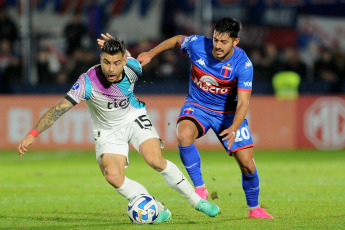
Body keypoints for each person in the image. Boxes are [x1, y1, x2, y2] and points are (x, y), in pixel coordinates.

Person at [17, 38, 220, 223]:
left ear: (124, 61)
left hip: (135, 118)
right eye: (106, 62)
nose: (111, 69)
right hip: (107, 131)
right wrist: (32, 134)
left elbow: (134, 59)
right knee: (112, 176)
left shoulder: (133, 68)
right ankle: (156, 208)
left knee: (155, 160)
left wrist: (122, 47)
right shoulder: (87, 82)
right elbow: (58, 109)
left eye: (116, 62)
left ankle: (197, 202)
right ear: (100, 59)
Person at [137, 17, 274, 219]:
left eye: (223, 42)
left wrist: (234, 127)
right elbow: (177, 40)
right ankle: (200, 187)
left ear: (235, 42)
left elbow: (243, 103)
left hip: (227, 114)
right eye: (216, 39)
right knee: (183, 135)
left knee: (247, 164)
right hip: (197, 106)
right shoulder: (198, 44)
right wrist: (151, 53)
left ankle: (254, 209)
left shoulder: (243, 64)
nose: (217, 46)